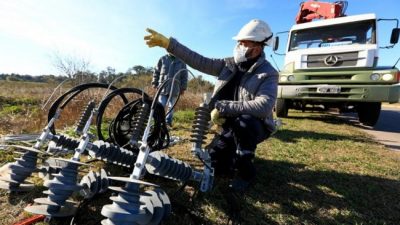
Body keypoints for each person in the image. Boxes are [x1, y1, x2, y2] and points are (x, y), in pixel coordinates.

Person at [144, 19, 278, 192]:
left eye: (243, 43)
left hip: (254, 125)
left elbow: (264, 106)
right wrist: (170, 45)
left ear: (257, 49)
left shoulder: (268, 73)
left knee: (245, 122)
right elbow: (199, 61)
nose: (238, 46)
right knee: (217, 164)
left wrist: (224, 107)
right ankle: (234, 153)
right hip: (228, 125)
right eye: (238, 43)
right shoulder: (227, 65)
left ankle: (246, 172)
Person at [152, 53, 188, 127]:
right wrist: (154, 83)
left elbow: (184, 76)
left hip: (175, 88)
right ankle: (158, 122)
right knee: (161, 106)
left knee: (171, 107)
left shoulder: (182, 61)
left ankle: (168, 123)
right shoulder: (163, 59)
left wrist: (183, 88)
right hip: (162, 88)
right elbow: (156, 72)